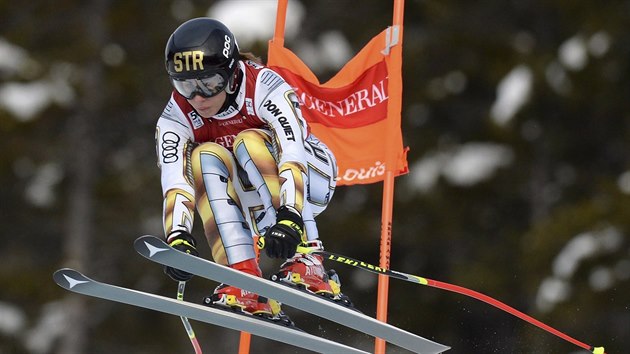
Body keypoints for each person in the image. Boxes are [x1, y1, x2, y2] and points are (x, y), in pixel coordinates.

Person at [155, 17, 348, 320]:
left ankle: (308, 260)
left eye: (210, 83)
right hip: (253, 200)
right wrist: (177, 235)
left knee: (248, 140)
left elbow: (292, 151)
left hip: (310, 179)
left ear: (231, 75)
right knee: (203, 155)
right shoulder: (176, 115)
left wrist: (290, 216)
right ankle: (243, 280)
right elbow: (175, 179)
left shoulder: (264, 86)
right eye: (186, 85)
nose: (199, 97)